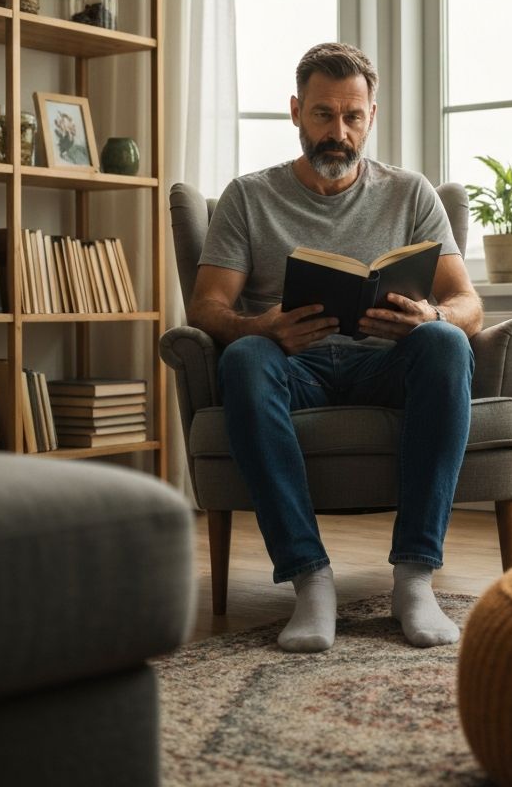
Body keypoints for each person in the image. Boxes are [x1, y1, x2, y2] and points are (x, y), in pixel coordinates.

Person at [188, 42, 483, 653]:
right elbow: (207, 306)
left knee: (447, 345)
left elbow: (469, 305)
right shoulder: (249, 196)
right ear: (296, 111)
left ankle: (413, 578)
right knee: (243, 358)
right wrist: (264, 326)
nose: (337, 132)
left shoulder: (411, 193)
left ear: (371, 115)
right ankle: (309, 578)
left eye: (352, 117)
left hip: (386, 362)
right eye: (323, 114)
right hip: (294, 364)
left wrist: (428, 315)